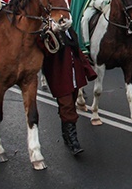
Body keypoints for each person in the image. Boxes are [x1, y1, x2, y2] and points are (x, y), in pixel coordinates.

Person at [41, 27, 97, 155]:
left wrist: (88, 70)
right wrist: (46, 36)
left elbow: (77, 52)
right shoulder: (49, 33)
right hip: (61, 76)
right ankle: (74, 142)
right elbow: (46, 52)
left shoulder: (70, 32)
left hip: (74, 76)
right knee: (67, 106)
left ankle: (66, 134)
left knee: (70, 105)